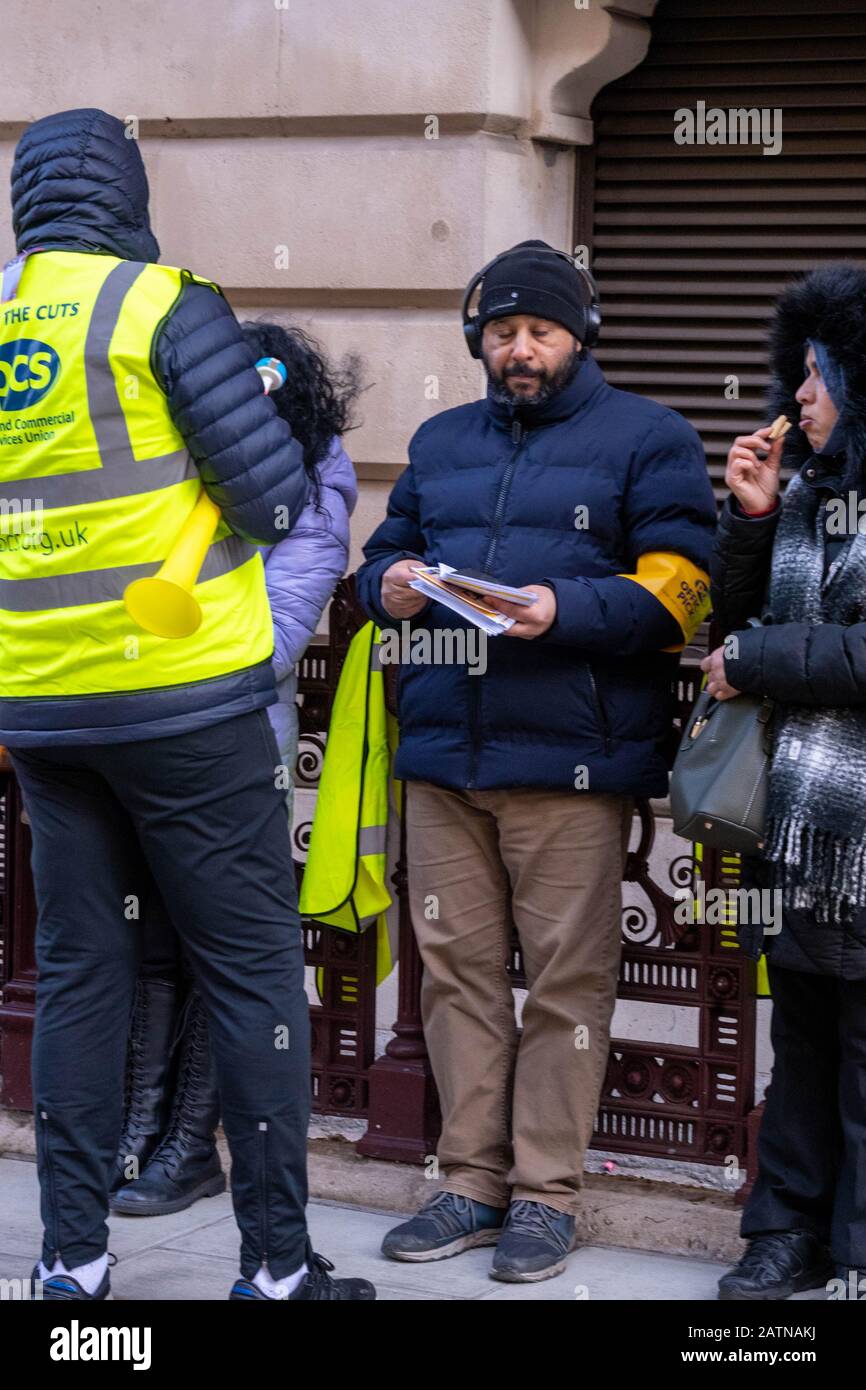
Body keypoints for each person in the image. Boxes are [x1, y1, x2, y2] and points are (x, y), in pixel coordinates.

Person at [0, 108, 373, 1301]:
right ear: (128, 192)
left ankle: (70, 1266)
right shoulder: (167, 303)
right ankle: (274, 1270)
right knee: (253, 972)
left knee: (78, 973)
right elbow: (270, 506)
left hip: (46, 708)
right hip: (188, 703)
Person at [355, 240, 717, 1283]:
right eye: (500, 331)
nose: (518, 349)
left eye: (539, 331)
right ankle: (467, 1180)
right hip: (443, 757)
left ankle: (545, 1195)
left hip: (572, 761)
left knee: (566, 983)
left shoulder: (646, 435)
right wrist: (388, 587)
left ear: (578, 335)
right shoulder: (438, 437)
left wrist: (562, 609)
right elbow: (387, 552)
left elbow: (684, 590)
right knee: (456, 979)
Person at [108, 321, 360, 1219]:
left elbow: (279, 634)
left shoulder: (318, 487)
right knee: (151, 942)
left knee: (225, 949)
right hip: (146, 735)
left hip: (234, 742)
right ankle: (139, 1130)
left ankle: (190, 1148)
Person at [707, 262, 866, 1302]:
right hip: (796, 822)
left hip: (853, 831)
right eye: (794, 373)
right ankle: (782, 1231)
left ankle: (854, 1251)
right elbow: (730, 616)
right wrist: (752, 516)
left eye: (814, 375)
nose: (794, 396)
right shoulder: (808, 491)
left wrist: (757, 659)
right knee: (799, 1035)